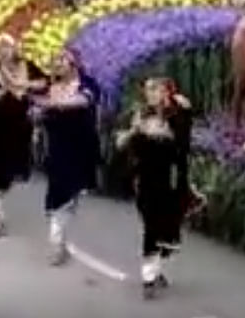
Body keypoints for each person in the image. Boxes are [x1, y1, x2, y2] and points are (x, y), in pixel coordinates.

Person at [116, 76, 194, 298]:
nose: (150, 93)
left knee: (168, 227)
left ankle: (157, 266)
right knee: (151, 224)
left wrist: (178, 116)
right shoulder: (141, 115)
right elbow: (123, 144)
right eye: (148, 89)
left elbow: (182, 142)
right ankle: (148, 276)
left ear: (166, 92)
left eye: (156, 89)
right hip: (146, 178)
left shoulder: (177, 115)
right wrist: (135, 131)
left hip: (170, 178)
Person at [0, 34, 44, 237]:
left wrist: (25, 85)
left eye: (7, 46)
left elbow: (43, 83)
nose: (4, 51)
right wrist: (5, 87)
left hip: (22, 128)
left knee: (15, 172)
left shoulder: (28, 67)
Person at [39, 50, 100, 265]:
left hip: (81, 149)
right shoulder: (49, 87)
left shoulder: (87, 84)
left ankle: (58, 241)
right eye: (54, 62)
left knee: (71, 194)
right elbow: (37, 111)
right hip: (56, 150)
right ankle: (56, 242)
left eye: (62, 61)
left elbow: (83, 101)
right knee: (58, 195)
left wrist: (54, 103)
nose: (57, 65)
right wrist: (37, 111)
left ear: (74, 64)